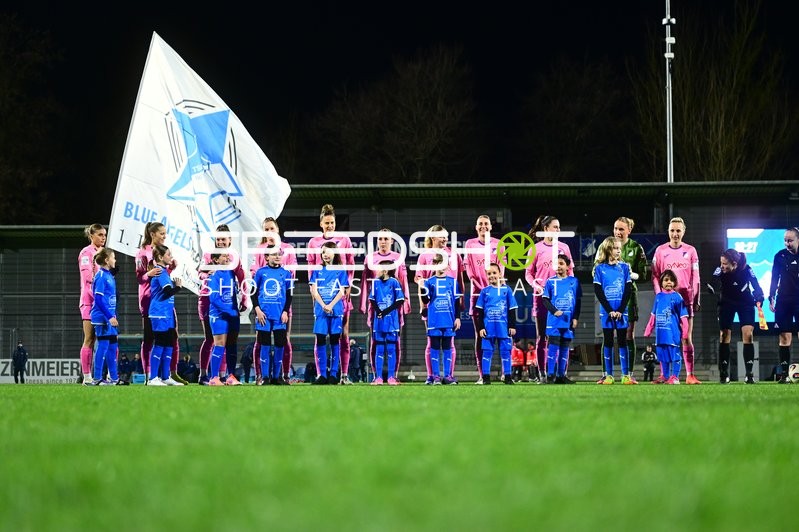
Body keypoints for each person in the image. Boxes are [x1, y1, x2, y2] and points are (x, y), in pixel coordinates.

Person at [307, 204, 356, 384]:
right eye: (326, 222)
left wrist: (348, 286)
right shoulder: (313, 242)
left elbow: (350, 265)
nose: (329, 225)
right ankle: (322, 374)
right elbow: (311, 267)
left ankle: (342, 374)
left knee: (342, 334)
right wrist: (313, 291)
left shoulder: (345, 240)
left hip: (340, 297)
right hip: (321, 297)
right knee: (320, 335)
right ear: (321, 223)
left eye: (332, 222)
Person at [651, 217, 701, 384]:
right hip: (666, 303)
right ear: (668, 232)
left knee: (686, 337)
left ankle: (690, 375)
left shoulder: (691, 251)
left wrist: (696, 298)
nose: (675, 234)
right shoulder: (660, 251)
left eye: (678, 230)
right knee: (665, 337)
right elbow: (655, 276)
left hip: (685, 301)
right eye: (672, 230)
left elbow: (696, 277)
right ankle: (665, 375)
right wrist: (661, 296)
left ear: (683, 232)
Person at [525, 215, 574, 384]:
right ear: (546, 229)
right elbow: (528, 274)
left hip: (561, 300)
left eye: (559, 227)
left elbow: (571, 272)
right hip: (541, 299)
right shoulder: (535, 249)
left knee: (562, 335)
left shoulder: (564, 248)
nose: (558, 230)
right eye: (555, 227)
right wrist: (537, 287)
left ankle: (561, 374)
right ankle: (543, 373)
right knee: (542, 337)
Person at [415, 224, 465, 384]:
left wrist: (460, 302)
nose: (445, 239)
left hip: (450, 307)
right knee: (432, 341)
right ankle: (432, 376)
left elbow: (460, 280)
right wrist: (422, 306)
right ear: (432, 237)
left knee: (450, 342)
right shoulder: (424, 256)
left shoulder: (454, 255)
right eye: (442, 236)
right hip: (432, 308)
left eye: (446, 236)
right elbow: (421, 283)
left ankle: (448, 376)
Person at [198, 224, 247, 385]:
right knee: (213, 340)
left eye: (223, 239)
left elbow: (242, 279)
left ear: (229, 240)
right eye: (218, 239)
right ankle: (209, 375)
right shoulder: (209, 257)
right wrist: (206, 274)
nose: (220, 242)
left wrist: (245, 299)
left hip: (230, 306)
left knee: (231, 342)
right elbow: (200, 273)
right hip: (213, 305)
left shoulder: (234, 258)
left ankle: (230, 376)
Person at [250, 217, 298, 384]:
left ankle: (278, 376)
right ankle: (263, 377)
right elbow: (253, 291)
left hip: (280, 315)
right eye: (273, 255)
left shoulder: (286, 273)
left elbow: (290, 293)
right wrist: (257, 309)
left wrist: (285, 311)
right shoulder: (260, 272)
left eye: (279, 254)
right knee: (263, 344)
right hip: (263, 314)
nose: (277, 256)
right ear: (266, 256)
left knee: (280, 344)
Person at [361, 228, 411, 382]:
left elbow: (403, 281)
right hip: (376, 308)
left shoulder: (398, 258)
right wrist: (364, 304)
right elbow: (365, 282)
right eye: (380, 239)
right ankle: (377, 376)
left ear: (392, 241)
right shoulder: (370, 258)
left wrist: (406, 301)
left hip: (394, 309)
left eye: (386, 239)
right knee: (376, 342)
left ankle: (392, 376)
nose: (383, 242)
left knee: (394, 342)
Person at [709, 249, 764, 384]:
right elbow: (713, 280)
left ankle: (749, 374)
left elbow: (756, 285)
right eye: (721, 263)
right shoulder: (720, 269)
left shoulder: (747, 269)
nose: (722, 266)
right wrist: (711, 287)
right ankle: (724, 373)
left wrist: (759, 296)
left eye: (725, 264)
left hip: (745, 302)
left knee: (748, 334)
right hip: (726, 302)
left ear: (734, 264)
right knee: (724, 334)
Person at [135, 222, 181, 384]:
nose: (164, 236)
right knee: (150, 338)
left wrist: (171, 269)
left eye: (165, 233)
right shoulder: (143, 253)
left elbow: (163, 277)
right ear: (152, 233)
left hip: (165, 302)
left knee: (171, 336)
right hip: (150, 300)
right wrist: (149, 273)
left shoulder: (163, 254)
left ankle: (167, 374)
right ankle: (150, 375)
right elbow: (141, 278)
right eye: (161, 233)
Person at [464, 215, 504, 384]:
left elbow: (501, 267)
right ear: (476, 227)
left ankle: (505, 372)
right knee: (480, 335)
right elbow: (469, 270)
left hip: (496, 295)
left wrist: (493, 288)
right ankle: (483, 374)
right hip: (476, 294)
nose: (483, 226)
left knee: (502, 335)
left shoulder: (498, 244)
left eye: (486, 224)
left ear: (490, 226)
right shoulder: (470, 244)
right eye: (480, 224)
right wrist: (481, 287)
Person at [611, 217, 649, 383]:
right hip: (610, 295)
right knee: (609, 334)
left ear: (629, 230)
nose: (618, 232)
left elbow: (645, 275)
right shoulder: (607, 246)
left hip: (629, 295)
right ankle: (608, 374)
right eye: (616, 228)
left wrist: (633, 275)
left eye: (621, 229)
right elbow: (595, 270)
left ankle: (629, 373)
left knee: (628, 334)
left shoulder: (636, 247)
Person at [593, 236, 634, 385]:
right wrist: (609, 310)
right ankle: (608, 375)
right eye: (615, 248)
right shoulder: (599, 269)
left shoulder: (624, 267)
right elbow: (598, 291)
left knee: (623, 341)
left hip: (621, 311)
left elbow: (628, 290)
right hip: (606, 312)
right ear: (608, 249)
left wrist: (621, 310)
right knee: (608, 341)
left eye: (619, 248)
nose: (618, 251)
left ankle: (625, 375)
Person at [309, 241, 350, 385]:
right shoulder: (317, 270)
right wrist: (324, 305)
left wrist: (331, 305)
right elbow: (314, 290)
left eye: (327, 251)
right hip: (321, 311)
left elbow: (342, 291)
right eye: (323, 252)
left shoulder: (341, 270)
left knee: (334, 340)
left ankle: (333, 374)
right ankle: (322, 375)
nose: (325, 255)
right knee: (320, 339)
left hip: (336, 310)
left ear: (335, 252)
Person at [420, 254, 463, 385]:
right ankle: (436, 377)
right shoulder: (429, 282)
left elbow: (456, 302)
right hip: (434, 320)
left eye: (444, 264)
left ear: (448, 265)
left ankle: (448, 376)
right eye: (438, 264)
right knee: (434, 347)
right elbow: (426, 300)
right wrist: (422, 289)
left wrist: (457, 318)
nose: (441, 267)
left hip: (449, 320)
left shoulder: (453, 282)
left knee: (447, 347)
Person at [146, 244, 184, 386]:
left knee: (169, 343)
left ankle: (165, 376)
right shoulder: (160, 272)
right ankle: (153, 378)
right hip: (159, 313)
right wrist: (178, 287)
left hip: (166, 314)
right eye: (168, 254)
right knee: (160, 343)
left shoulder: (164, 272)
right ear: (161, 257)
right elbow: (168, 291)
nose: (171, 257)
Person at [474, 263, 517, 385]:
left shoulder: (507, 290)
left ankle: (508, 376)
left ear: (500, 274)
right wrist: (481, 327)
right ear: (486, 276)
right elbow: (480, 312)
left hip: (503, 328)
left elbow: (512, 309)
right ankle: (486, 377)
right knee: (487, 351)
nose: (492, 275)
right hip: (488, 328)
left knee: (505, 351)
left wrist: (512, 326)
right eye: (489, 273)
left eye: (494, 273)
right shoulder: (484, 292)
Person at [542, 254, 582, 384]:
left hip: (568, 320)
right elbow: (545, 300)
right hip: (554, 321)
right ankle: (550, 375)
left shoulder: (574, 281)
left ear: (567, 266)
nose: (558, 266)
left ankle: (561, 376)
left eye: (561, 263)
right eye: (556, 264)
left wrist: (575, 318)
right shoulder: (550, 281)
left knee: (565, 348)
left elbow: (578, 301)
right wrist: (555, 311)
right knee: (553, 347)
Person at [644, 270, 689, 384]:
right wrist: (648, 329)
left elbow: (684, 316)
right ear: (661, 282)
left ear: (674, 283)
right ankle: (664, 376)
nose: (669, 282)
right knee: (662, 355)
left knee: (674, 355)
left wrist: (685, 332)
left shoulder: (677, 297)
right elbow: (653, 314)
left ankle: (675, 377)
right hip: (661, 334)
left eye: (671, 280)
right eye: (666, 280)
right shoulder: (658, 297)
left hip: (672, 333)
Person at [206, 252, 243, 386]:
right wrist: (230, 311)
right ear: (215, 260)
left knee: (232, 345)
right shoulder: (214, 275)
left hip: (233, 314)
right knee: (219, 344)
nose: (227, 258)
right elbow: (214, 299)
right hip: (219, 315)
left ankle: (231, 376)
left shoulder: (231, 273)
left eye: (228, 255)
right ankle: (214, 378)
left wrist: (238, 307)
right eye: (223, 256)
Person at [768, 227, 799, 384]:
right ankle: (785, 375)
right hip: (783, 300)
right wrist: (771, 296)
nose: (787, 243)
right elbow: (774, 277)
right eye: (785, 240)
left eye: (790, 240)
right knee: (784, 336)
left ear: (798, 240)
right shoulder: (779, 256)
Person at [368, 260, 406, 385]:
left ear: (385, 270)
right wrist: (379, 311)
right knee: (378, 348)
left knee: (391, 348)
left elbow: (400, 300)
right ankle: (378, 377)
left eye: (378, 268)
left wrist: (384, 312)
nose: (376, 270)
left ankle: (391, 377)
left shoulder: (394, 282)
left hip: (391, 320)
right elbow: (372, 300)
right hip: (378, 321)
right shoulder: (375, 283)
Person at [78, 223, 107, 384]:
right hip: (90, 301)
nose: (103, 238)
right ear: (92, 236)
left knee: (104, 339)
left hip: (102, 302)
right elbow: (88, 278)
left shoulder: (103, 253)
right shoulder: (86, 253)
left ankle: (101, 377)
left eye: (104, 235)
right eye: (100, 235)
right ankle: (87, 377)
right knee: (89, 338)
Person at [89, 248, 121, 385]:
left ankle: (114, 378)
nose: (115, 260)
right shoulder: (101, 276)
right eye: (113, 257)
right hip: (102, 317)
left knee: (113, 346)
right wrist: (109, 316)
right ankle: (96, 378)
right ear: (107, 260)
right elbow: (98, 300)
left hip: (110, 317)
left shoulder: (109, 276)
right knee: (103, 345)